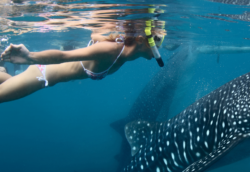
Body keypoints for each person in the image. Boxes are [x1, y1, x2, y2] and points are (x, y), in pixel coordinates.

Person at [0, 29, 165, 104]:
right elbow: (64, 56)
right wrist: (30, 57)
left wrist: (98, 35)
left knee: (11, 82)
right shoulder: (111, 51)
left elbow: (94, 33)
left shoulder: (122, 52)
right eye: (158, 41)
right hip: (41, 75)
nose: (160, 46)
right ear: (141, 39)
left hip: (45, 79)